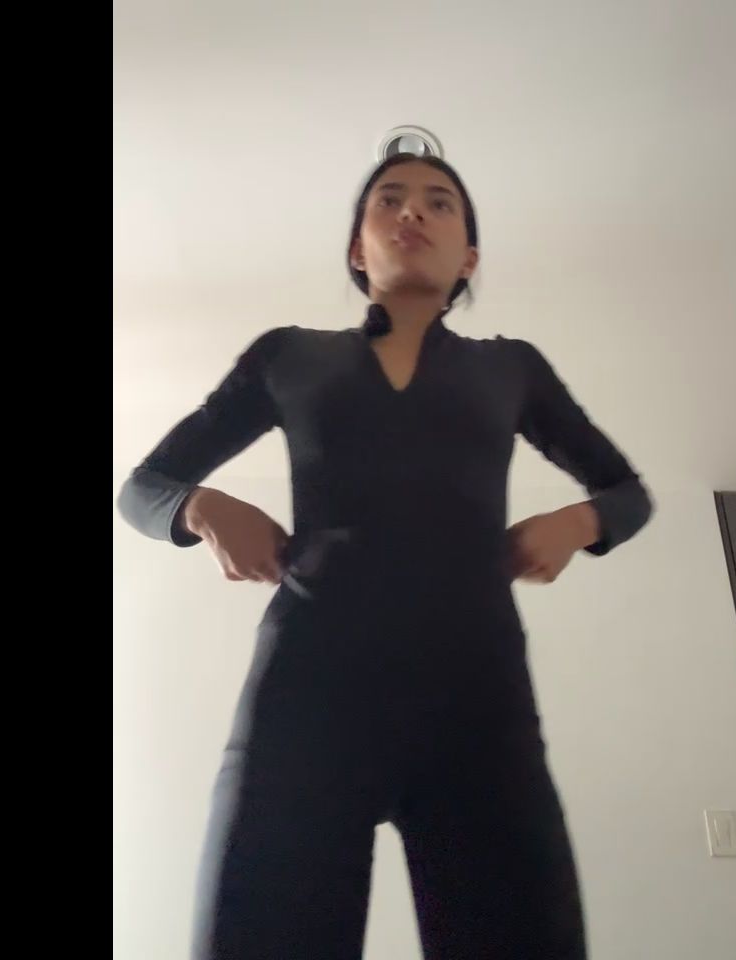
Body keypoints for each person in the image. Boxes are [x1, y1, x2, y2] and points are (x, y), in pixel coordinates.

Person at [117, 153, 653, 960]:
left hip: (478, 700)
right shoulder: (287, 356)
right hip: (305, 695)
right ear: (357, 250)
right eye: (389, 200)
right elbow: (143, 488)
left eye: (440, 203)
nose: (413, 213)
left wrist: (580, 522)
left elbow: (627, 492)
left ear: (469, 257)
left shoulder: (512, 367)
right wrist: (201, 507)